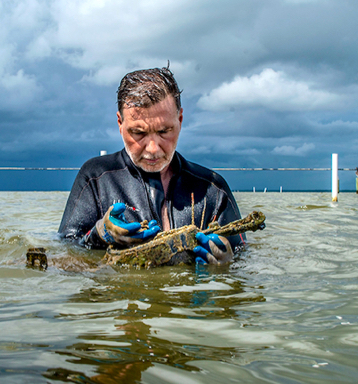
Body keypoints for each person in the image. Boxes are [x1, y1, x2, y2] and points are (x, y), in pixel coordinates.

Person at [58, 67, 243, 265]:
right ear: (120, 123)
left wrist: (228, 263)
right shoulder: (95, 178)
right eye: (138, 133)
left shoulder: (214, 190)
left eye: (164, 131)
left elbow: (246, 258)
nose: (153, 149)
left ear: (180, 120)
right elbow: (64, 251)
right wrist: (99, 234)